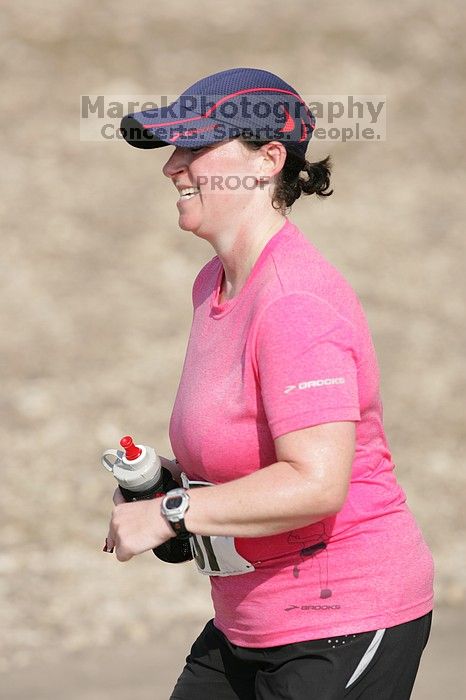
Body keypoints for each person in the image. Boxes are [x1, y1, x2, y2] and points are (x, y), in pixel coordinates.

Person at [106, 68, 434, 699]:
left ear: (267, 161)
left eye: (195, 149)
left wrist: (174, 514)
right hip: (249, 621)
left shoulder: (294, 301)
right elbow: (249, 456)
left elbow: (317, 482)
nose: (173, 168)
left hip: (342, 619)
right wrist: (166, 485)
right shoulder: (213, 285)